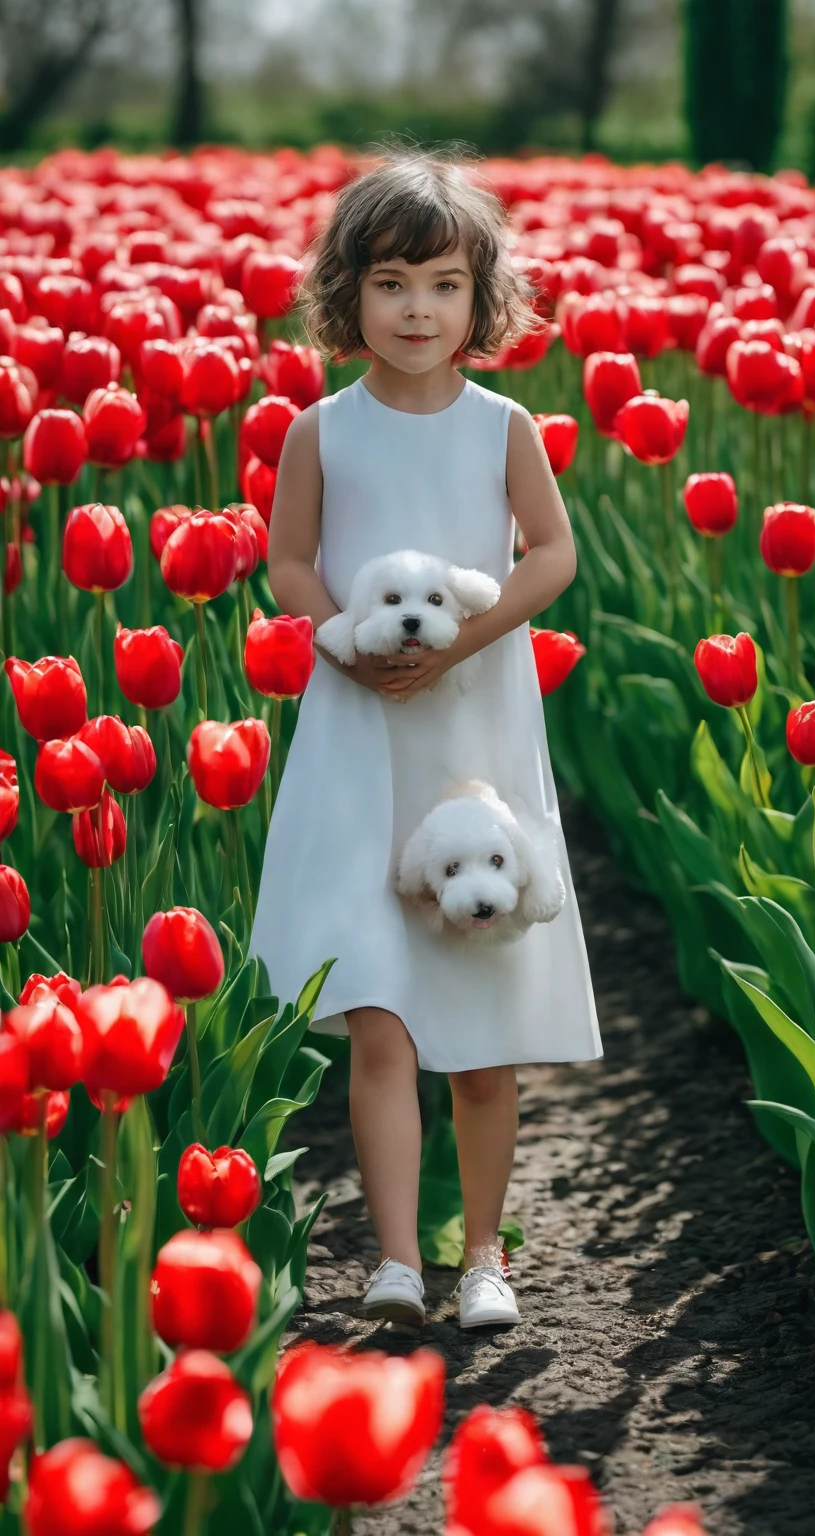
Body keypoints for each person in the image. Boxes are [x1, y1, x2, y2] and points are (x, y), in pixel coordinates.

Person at [249, 144, 603, 1331]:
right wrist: (343, 636)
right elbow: (288, 561)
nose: (417, 308)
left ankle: (487, 1255)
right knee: (382, 1006)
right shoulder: (321, 431)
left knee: (482, 1017)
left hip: (474, 716)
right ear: (346, 295)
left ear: (480, 300)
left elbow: (552, 554)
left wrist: (460, 642)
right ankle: (398, 1258)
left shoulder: (502, 426)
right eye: (392, 282)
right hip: (362, 730)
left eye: (445, 284)